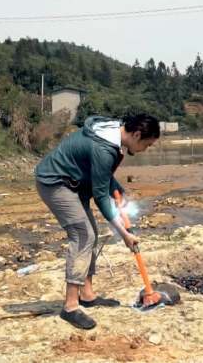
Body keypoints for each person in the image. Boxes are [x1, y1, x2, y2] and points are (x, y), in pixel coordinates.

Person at [34, 113, 160, 329]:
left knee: (90, 231)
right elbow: (100, 197)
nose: (144, 151)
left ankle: (87, 295)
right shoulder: (105, 149)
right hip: (55, 182)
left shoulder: (113, 132)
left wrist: (115, 187)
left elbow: (101, 174)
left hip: (73, 182)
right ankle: (70, 307)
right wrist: (125, 235)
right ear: (136, 134)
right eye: (146, 146)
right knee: (83, 235)